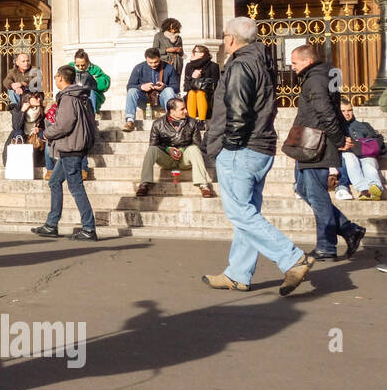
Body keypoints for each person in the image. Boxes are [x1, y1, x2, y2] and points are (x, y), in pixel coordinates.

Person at [203, 16, 313, 294]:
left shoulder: (240, 65)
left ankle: (292, 258)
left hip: (242, 148)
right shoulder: (262, 61)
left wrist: (228, 144)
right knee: (248, 211)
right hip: (261, 145)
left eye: (225, 35)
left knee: (240, 213)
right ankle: (238, 273)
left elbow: (238, 113)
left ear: (230, 38)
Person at [289, 44, 365, 262]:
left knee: (316, 194)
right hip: (312, 142)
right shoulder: (324, 76)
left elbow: (326, 113)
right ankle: (349, 229)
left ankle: (326, 246)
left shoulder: (315, 80)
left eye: (294, 63)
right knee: (303, 189)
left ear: (307, 61)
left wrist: (339, 140)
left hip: (316, 144)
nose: (292, 67)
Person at [32, 66, 97, 241]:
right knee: (54, 181)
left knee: (76, 187)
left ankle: (89, 228)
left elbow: (64, 124)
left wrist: (45, 134)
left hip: (71, 147)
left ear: (60, 78)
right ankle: (51, 224)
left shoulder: (69, 98)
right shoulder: (81, 96)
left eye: (55, 76)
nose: (55, 79)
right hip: (72, 146)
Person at [135, 97, 214, 198]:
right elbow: (153, 144)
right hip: (167, 159)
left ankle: (204, 186)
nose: (186, 111)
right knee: (152, 150)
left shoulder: (192, 122)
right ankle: (144, 184)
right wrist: (168, 149)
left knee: (194, 149)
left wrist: (182, 150)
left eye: (185, 108)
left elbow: (197, 144)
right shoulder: (158, 124)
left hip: (184, 159)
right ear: (172, 111)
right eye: (182, 109)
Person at [334, 101, 384, 201]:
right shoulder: (335, 127)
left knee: (369, 161)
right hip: (348, 155)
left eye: (349, 110)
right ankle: (364, 190)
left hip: (365, 154)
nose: (347, 113)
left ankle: (376, 187)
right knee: (349, 158)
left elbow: (373, 142)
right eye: (343, 111)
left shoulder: (364, 125)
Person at [123, 47, 179, 131]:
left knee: (169, 90)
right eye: (150, 62)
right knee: (132, 91)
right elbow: (129, 86)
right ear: (146, 59)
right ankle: (130, 120)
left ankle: (172, 120)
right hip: (144, 100)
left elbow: (176, 88)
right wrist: (141, 87)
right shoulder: (138, 68)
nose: (153, 65)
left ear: (159, 58)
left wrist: (164, 87)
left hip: (162, 100)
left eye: (156, 62)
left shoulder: (169, 68)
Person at [182, 45, 219, 121]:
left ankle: (202, 121)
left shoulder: (213, 66)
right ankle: (191, 121)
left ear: (202, 54)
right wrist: (193, 77)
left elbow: (216, 84)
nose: (192, 54)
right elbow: (186, 86)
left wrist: (201, 78)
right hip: (191, 94)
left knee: (200, 93)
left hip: (208, 95)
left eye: (194, 52)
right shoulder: (189, 66)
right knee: (192, 93)